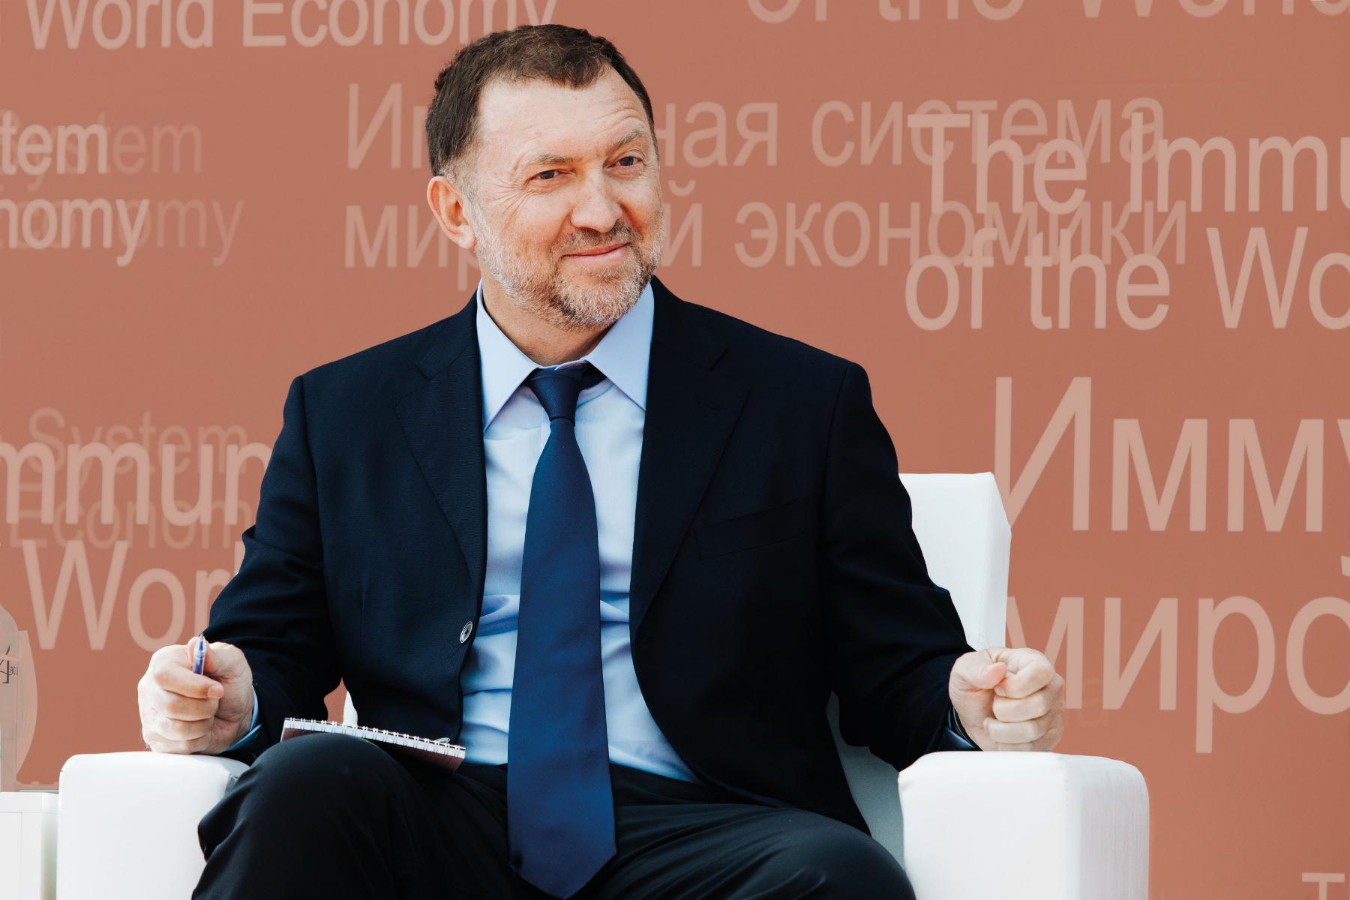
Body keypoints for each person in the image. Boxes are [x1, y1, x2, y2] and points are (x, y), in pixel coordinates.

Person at [136, 23, 1065, 900]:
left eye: (626, 163)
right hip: (439, 810)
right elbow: (273, 647)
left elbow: (895, 665)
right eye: (551, 176)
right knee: (302, 784)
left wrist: (965, 702)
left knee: (838, 875)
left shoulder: (800, 402)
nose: (602, 209)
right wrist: (229, 698)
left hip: (707, 826)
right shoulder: (348, 412)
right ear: (457, 212)